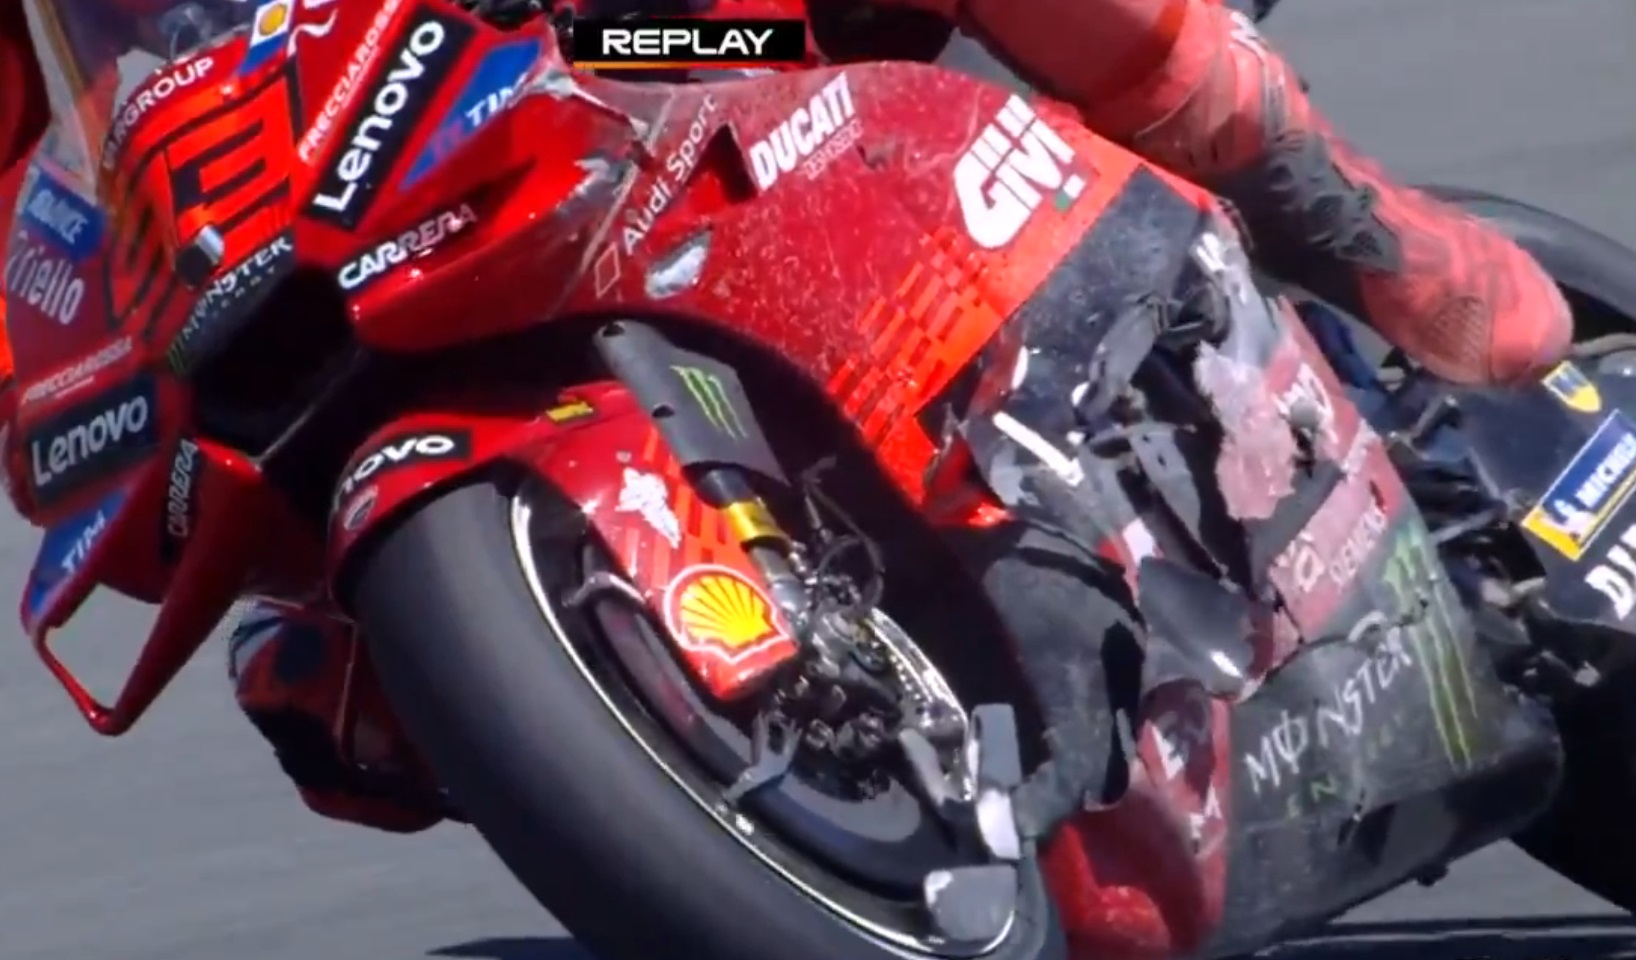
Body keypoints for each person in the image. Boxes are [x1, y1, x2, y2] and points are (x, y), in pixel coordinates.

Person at [0, 0, 1573, 833]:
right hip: (339, 276)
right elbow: (36, 274)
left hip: (624, 35)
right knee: (321, 700)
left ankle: (1356, 227)